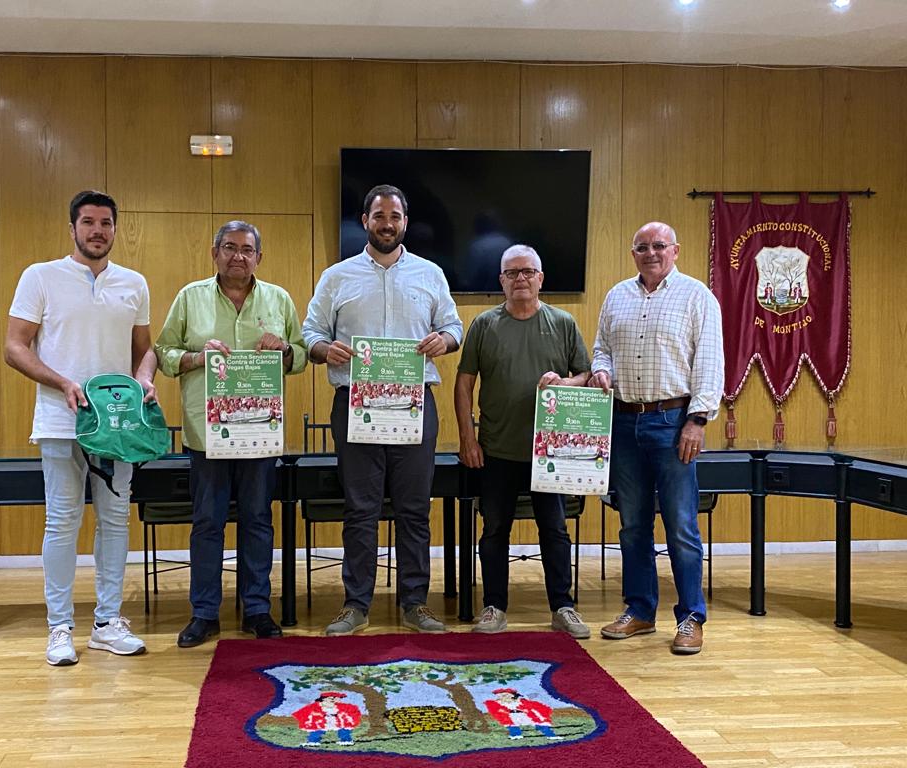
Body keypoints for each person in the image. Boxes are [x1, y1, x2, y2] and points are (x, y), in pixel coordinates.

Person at [5, 190, 157, 666]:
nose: (97, 231)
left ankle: (108, 623)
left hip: (117, 426)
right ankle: (59, 627)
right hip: (59, 422)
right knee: (61, 521)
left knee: (115, 521)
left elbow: (144, 351)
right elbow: (15, 347)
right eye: (88, 222)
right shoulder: (40, 276)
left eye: (105, 223)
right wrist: (62, 383)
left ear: (114, 229)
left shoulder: (133, 283)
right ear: (72, 228)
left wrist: (144, 380)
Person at [303, 184, 463, 636]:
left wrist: (444, 340)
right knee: (360, 509)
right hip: (356, 405)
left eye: (395, 216)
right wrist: (324, 350)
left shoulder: (430, 274)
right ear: (365, 221)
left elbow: (454, 327)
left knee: (414, 509)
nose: (387, 224)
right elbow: (311, 332)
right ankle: (356, 604)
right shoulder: (337, 277)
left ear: (405, 222)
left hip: (414, 405)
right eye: (379, 216)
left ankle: (415, 603)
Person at [155, 220, 307, 646]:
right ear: (214, 253)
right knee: (208, 523)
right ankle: (204, 613)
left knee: (258, 520)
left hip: (260, 434)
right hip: (207, 435)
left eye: (246, 249)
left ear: (259, 257)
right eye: (229, 247)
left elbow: (300, 357)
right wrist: (196, 357)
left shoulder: (278, 299)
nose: (238, 255)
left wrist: (284, 349)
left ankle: (256, 609)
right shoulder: (190, 297)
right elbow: (164, 353)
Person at [590, 221, 723, 655]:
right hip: (624, 422)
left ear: (675, 250)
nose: (651, 253)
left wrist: (697, 421)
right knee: (632, 526)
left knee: (681, 526)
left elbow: (709, 363)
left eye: (659, 245)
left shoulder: (697, 296)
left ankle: (690, 617)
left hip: (674, 422)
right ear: (633, 254)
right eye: (642, 246)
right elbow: (601, 348)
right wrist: (601, 369)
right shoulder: (616, 296)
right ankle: (640, 610)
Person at [455, 244, 591, 638]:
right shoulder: (484, 325)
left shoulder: (563, 323)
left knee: (555, 530)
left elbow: (586, 375)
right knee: (494, 530)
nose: (520, 279)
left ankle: (563, 607)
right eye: (512, 273)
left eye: (528, 271)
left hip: (550, 451)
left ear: (540, 278)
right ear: (501, 280)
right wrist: (467, 437)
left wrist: (564, 383)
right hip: (496, 449)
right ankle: (494, 607)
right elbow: (464, 384)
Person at [483, 688, 563, 741]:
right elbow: (497, 709)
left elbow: (528, 702)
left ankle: (550, 735)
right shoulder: (498, 703)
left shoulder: (519, 701)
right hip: (511, 716)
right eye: (501, 696)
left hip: (523, 715)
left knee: (539, 723)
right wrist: (504, 711)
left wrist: (524, 707)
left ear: (512, 696)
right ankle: (515, 735)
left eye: (506, 695)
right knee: (511, 725)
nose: (503, 697)